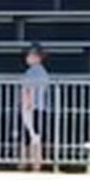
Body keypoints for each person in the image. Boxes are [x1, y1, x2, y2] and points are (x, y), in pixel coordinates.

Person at [19, 43, 52, 171]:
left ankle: (35, 162)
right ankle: (29, 161)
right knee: (31, 135)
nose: (28, 57)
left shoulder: (34, 72)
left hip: (32, 108)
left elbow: (29, 89)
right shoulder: (40, 72)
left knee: (34, 135)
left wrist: (27, 103)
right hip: (37, 107)